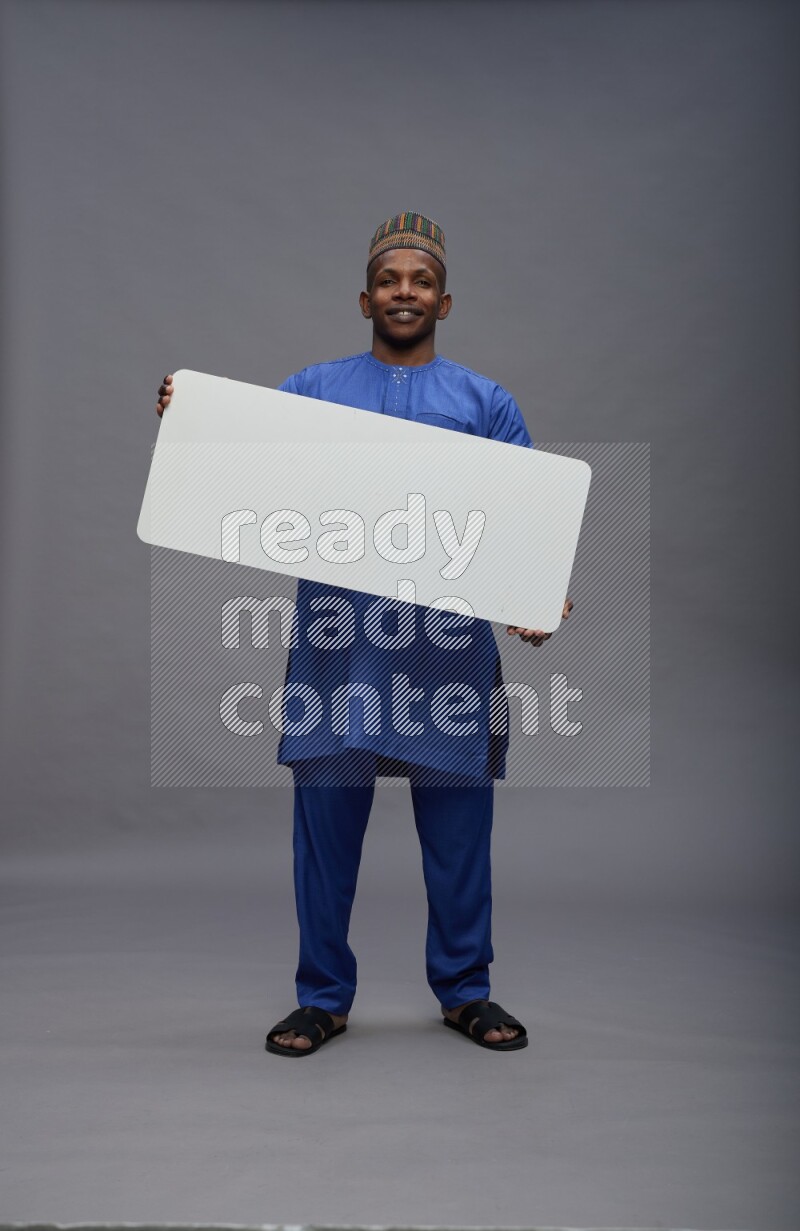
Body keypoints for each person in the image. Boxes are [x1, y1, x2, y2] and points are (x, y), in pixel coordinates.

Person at [156, 212, 572, 1055]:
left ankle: (466, 990)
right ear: (365, 298)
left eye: (420, 281)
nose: (405, 292)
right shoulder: (312, 390)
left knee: (459, 836)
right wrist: (187, 414)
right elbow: (242, 462)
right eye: (390, 281)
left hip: (448, 653)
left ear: (444, 300)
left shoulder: (486, 403)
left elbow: (530, 525)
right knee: (325, 827)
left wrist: (540, 599)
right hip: (340, 647)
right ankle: (321, 995)